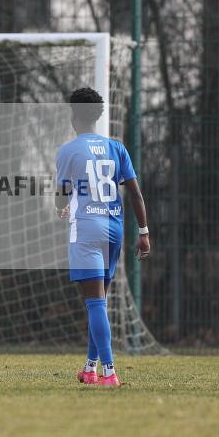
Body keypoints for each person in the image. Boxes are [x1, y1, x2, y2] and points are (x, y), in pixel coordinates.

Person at [55, 87, 150, 387]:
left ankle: (109, 373)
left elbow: (61, 195)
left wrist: (61, 206)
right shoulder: (116, 148)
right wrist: (144, 232)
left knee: (95, 303)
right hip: (114, 229)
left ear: (73, 116)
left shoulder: (68, 151)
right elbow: (135, 193)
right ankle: (90, 369)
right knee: (100, 302)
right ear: (97, 117)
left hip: (86, 229)